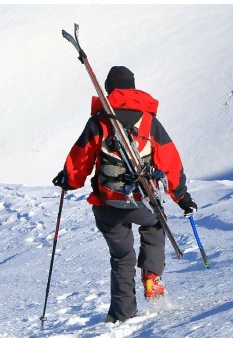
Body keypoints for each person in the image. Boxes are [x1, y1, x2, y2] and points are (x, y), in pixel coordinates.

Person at [53, 66, 197, 324]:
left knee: (121, 257)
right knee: (154, 227)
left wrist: (69, 181)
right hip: (143, 202)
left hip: (108, 203)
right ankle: (152, 277)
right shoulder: (149, 121)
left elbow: (81, 158)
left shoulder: (99, 121)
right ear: (132, 87)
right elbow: (170, 160)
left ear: (108, 89)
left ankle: (122, 314)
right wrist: (182, 197)